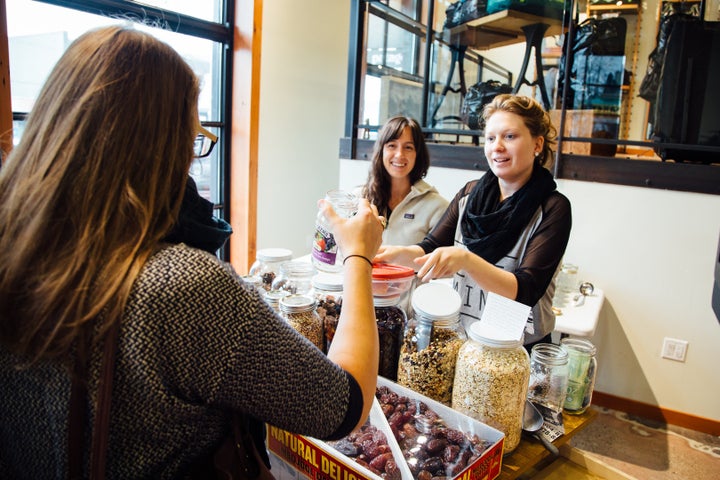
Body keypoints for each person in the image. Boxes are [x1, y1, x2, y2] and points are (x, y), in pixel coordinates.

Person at [0, 25, 384, 478]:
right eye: (191, 135)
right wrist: (357, 256)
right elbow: (341, 406)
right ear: (163, 146)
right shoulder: (181, 285)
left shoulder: (18, 247)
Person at [375, 94, 572, 349]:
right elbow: (428, 249)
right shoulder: (469, 195)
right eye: (491, 138)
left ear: (537, 144)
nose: (497, 147)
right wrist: (386, 254)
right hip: (466, 342)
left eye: (509, 136)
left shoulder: (553, 208)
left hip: (518, 351)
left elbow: (524, 291)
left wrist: (465, 259)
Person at [356, 116, 448, 245]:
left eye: (408, 147)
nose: (399, 154)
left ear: (418, 154)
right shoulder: (359, 198)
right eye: (392, 145)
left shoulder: (438, 207)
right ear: (381, 151)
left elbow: (438, 261)